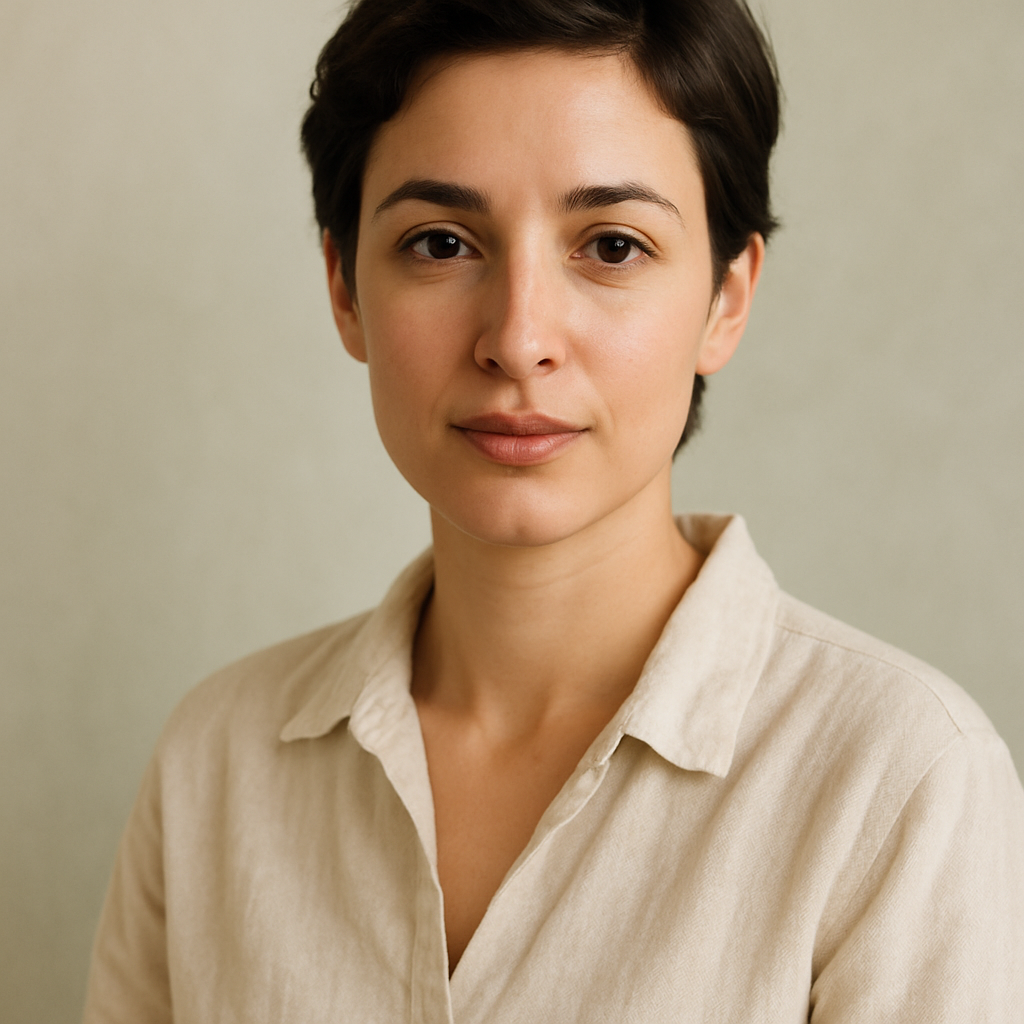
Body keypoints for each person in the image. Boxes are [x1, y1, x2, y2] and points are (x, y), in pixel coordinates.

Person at [82, 0, 1024, 1020]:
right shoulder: (216, 761)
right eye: (440, 243)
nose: (519, 337)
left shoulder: (897, 781)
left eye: (611, 247)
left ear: (726, 297)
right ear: (344, 285)